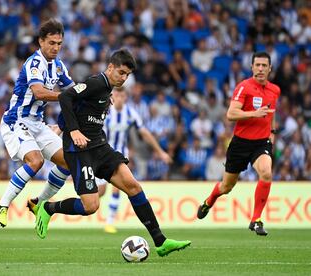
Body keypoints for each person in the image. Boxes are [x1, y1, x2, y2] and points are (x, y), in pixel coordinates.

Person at [36, 49, 191, 257]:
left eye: (127, 75)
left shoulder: (107, 89)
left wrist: (67, 125)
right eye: (120, 72)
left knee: (133, 186)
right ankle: (49, 209)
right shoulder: (96, 83)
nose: (123, 78)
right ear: (110, 67)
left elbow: (79, 107)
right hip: (80, 151)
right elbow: (66, 98)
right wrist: (72, 130)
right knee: (91, 206)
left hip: (100, 147)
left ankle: (160, 241)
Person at [0, 19, 74, 227]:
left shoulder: (58, 66)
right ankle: (2, 205)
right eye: (52, 43)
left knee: (68, 162)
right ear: (41, 41)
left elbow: (74, 88)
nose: (56, 47)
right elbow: (39, 92)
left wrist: (96, 93)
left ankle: (39, 203)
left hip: (37, 123)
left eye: (59, 44)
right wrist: (68, 97)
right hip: (16, 120)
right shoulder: (33, 63)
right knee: (35, 161)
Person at [196, 52, 280, 236]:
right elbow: (231, 114)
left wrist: (272, 133)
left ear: (269, 68)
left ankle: (256, 220)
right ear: (251, 67)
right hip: (240, 144)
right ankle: (209, 201)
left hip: (261, 143)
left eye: (264, 66)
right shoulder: (244, 87)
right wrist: (253, 113)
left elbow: (271, 113)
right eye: (257, 65)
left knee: (266, 172)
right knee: (226, 187)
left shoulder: (275, 90)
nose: (260, 69)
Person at [96, 86, 172, 234]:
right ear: (113, 96)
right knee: (101, 191)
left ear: (125, 97)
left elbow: (145, 133)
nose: (119, 98)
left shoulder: (130, 113)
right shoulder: (105, 112)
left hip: (119, 154)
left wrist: (160, 152)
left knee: (118, 185)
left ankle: (110, 221)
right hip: (102, 153)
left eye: (122, 95)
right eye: (116, 95)